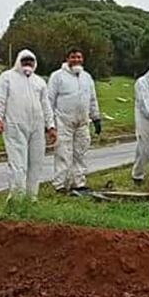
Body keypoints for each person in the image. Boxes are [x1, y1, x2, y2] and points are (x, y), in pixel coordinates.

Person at [0, 49, 56, 199]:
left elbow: (46, 105)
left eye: (30, 61)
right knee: (18, 165)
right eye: (24, 61)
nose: (27, 64)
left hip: (36, 128)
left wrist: (51, 126)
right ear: (18, 62)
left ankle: (31, 198)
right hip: (15, 126)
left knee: (36, 164)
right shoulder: (7, 78)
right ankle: (17, 199)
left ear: (35, 63)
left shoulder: (39, 81)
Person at [47, 48, 102, 195]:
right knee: (63, 153)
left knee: (80, 152)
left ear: (82, 59)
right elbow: (49, 101)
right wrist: (50, 124)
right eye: (73, 57)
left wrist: (96, 117)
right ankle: (60, 185)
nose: (76, 60)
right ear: (67, 59)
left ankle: (79, 183)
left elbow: (92, 99)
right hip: (63, 121)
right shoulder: (57, 77)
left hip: (82, 122)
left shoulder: (86, 77)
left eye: (79, 57)